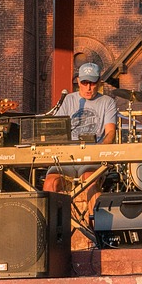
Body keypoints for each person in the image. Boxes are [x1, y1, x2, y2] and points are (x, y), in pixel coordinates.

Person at [42, 62, 118, 208]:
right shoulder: (68, 100)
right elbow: (56, 131)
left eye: (92, 83)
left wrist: (100, 151)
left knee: (89, 181)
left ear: (99, 82)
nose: (88, 87)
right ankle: (54, 228)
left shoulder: (107, 102)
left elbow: (110, 132)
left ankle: (94, 227)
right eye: (84, 83)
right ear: (78, 82)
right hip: (66, 157)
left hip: (92, 157)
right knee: (51, 183)